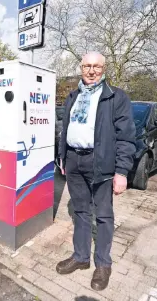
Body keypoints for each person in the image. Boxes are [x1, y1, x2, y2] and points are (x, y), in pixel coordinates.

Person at [56, 52, 136, 291]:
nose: (91, 71)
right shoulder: (73, 95)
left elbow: (126, 137)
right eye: (87, 66)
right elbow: (65, 128)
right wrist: (62, 156)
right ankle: (81, 257)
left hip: (99, 163)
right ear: (81, 67)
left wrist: (122, 171)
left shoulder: (115, 97)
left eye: (97, 66)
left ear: (104, 69)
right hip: (73, 161)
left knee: (103, 215)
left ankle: (103, 263)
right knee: (80, 211)